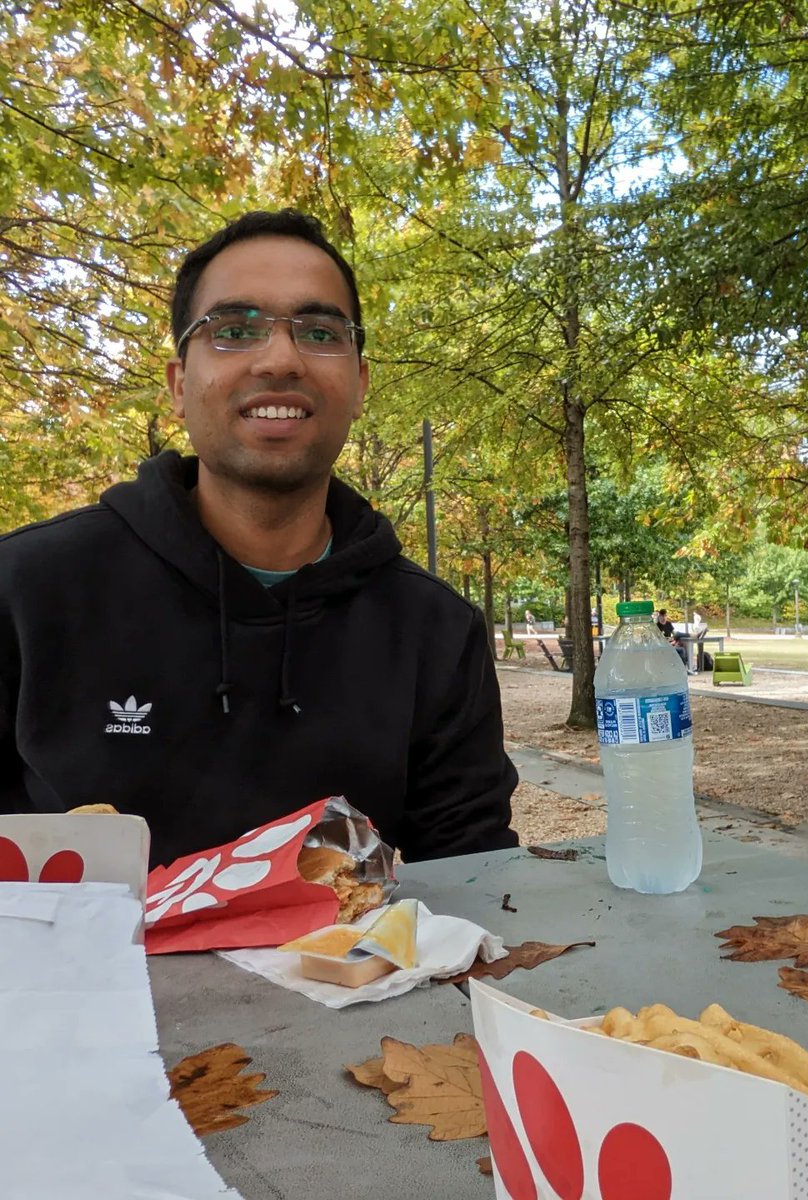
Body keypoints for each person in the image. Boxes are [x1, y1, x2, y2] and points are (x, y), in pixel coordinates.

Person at [0, 209, 519, 868]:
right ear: (178, 384)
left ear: (359, 384)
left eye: (320, 331)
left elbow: (475, 881)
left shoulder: (437, 633)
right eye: (235, 330)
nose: (280, 358)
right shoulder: (25, 590)